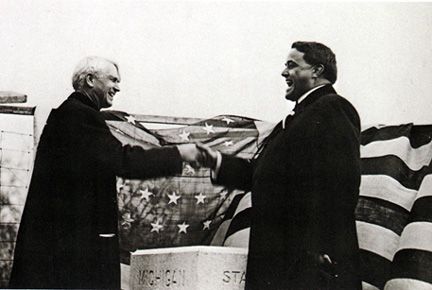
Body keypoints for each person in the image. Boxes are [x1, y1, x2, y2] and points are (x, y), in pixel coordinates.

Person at [9, 56, 203, 289]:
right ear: (90, 80)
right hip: (69, 256)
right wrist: (178, 154)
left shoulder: (70, 113)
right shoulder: (81, 115)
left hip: (59, 251)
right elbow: (123, 161)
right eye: (112, 79)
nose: (118, 87)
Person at [198, 41, 362, 289]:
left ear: (316, 71)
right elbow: (260, 175)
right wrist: (216, 161)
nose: (284, 72)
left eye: (292, 65)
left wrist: (322, 245)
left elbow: (343, 181)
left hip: (308, 262)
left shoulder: (333, 108)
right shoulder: (295, 120)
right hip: (282, 261)